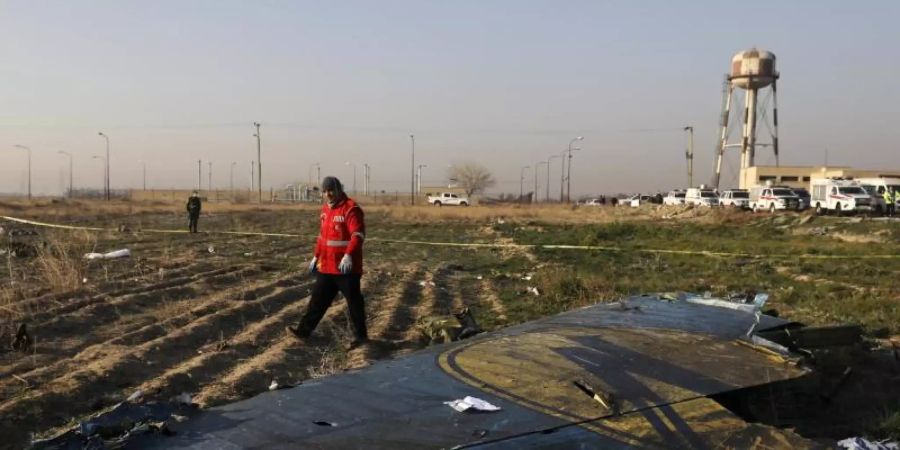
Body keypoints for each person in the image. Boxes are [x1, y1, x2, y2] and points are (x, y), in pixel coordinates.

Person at [287, 176, 368, 348]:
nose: (328, 194)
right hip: (327, 266)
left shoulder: (351, 209)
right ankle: (303, 331)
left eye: (331, 190)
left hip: (346, 269)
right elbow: (322, 237)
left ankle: (361, 337)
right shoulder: (325, 210)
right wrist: (316, 256)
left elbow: (357, 235)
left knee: (354, 303)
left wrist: (349, 255)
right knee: (317, 301)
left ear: (338, 190)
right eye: (325, 191)